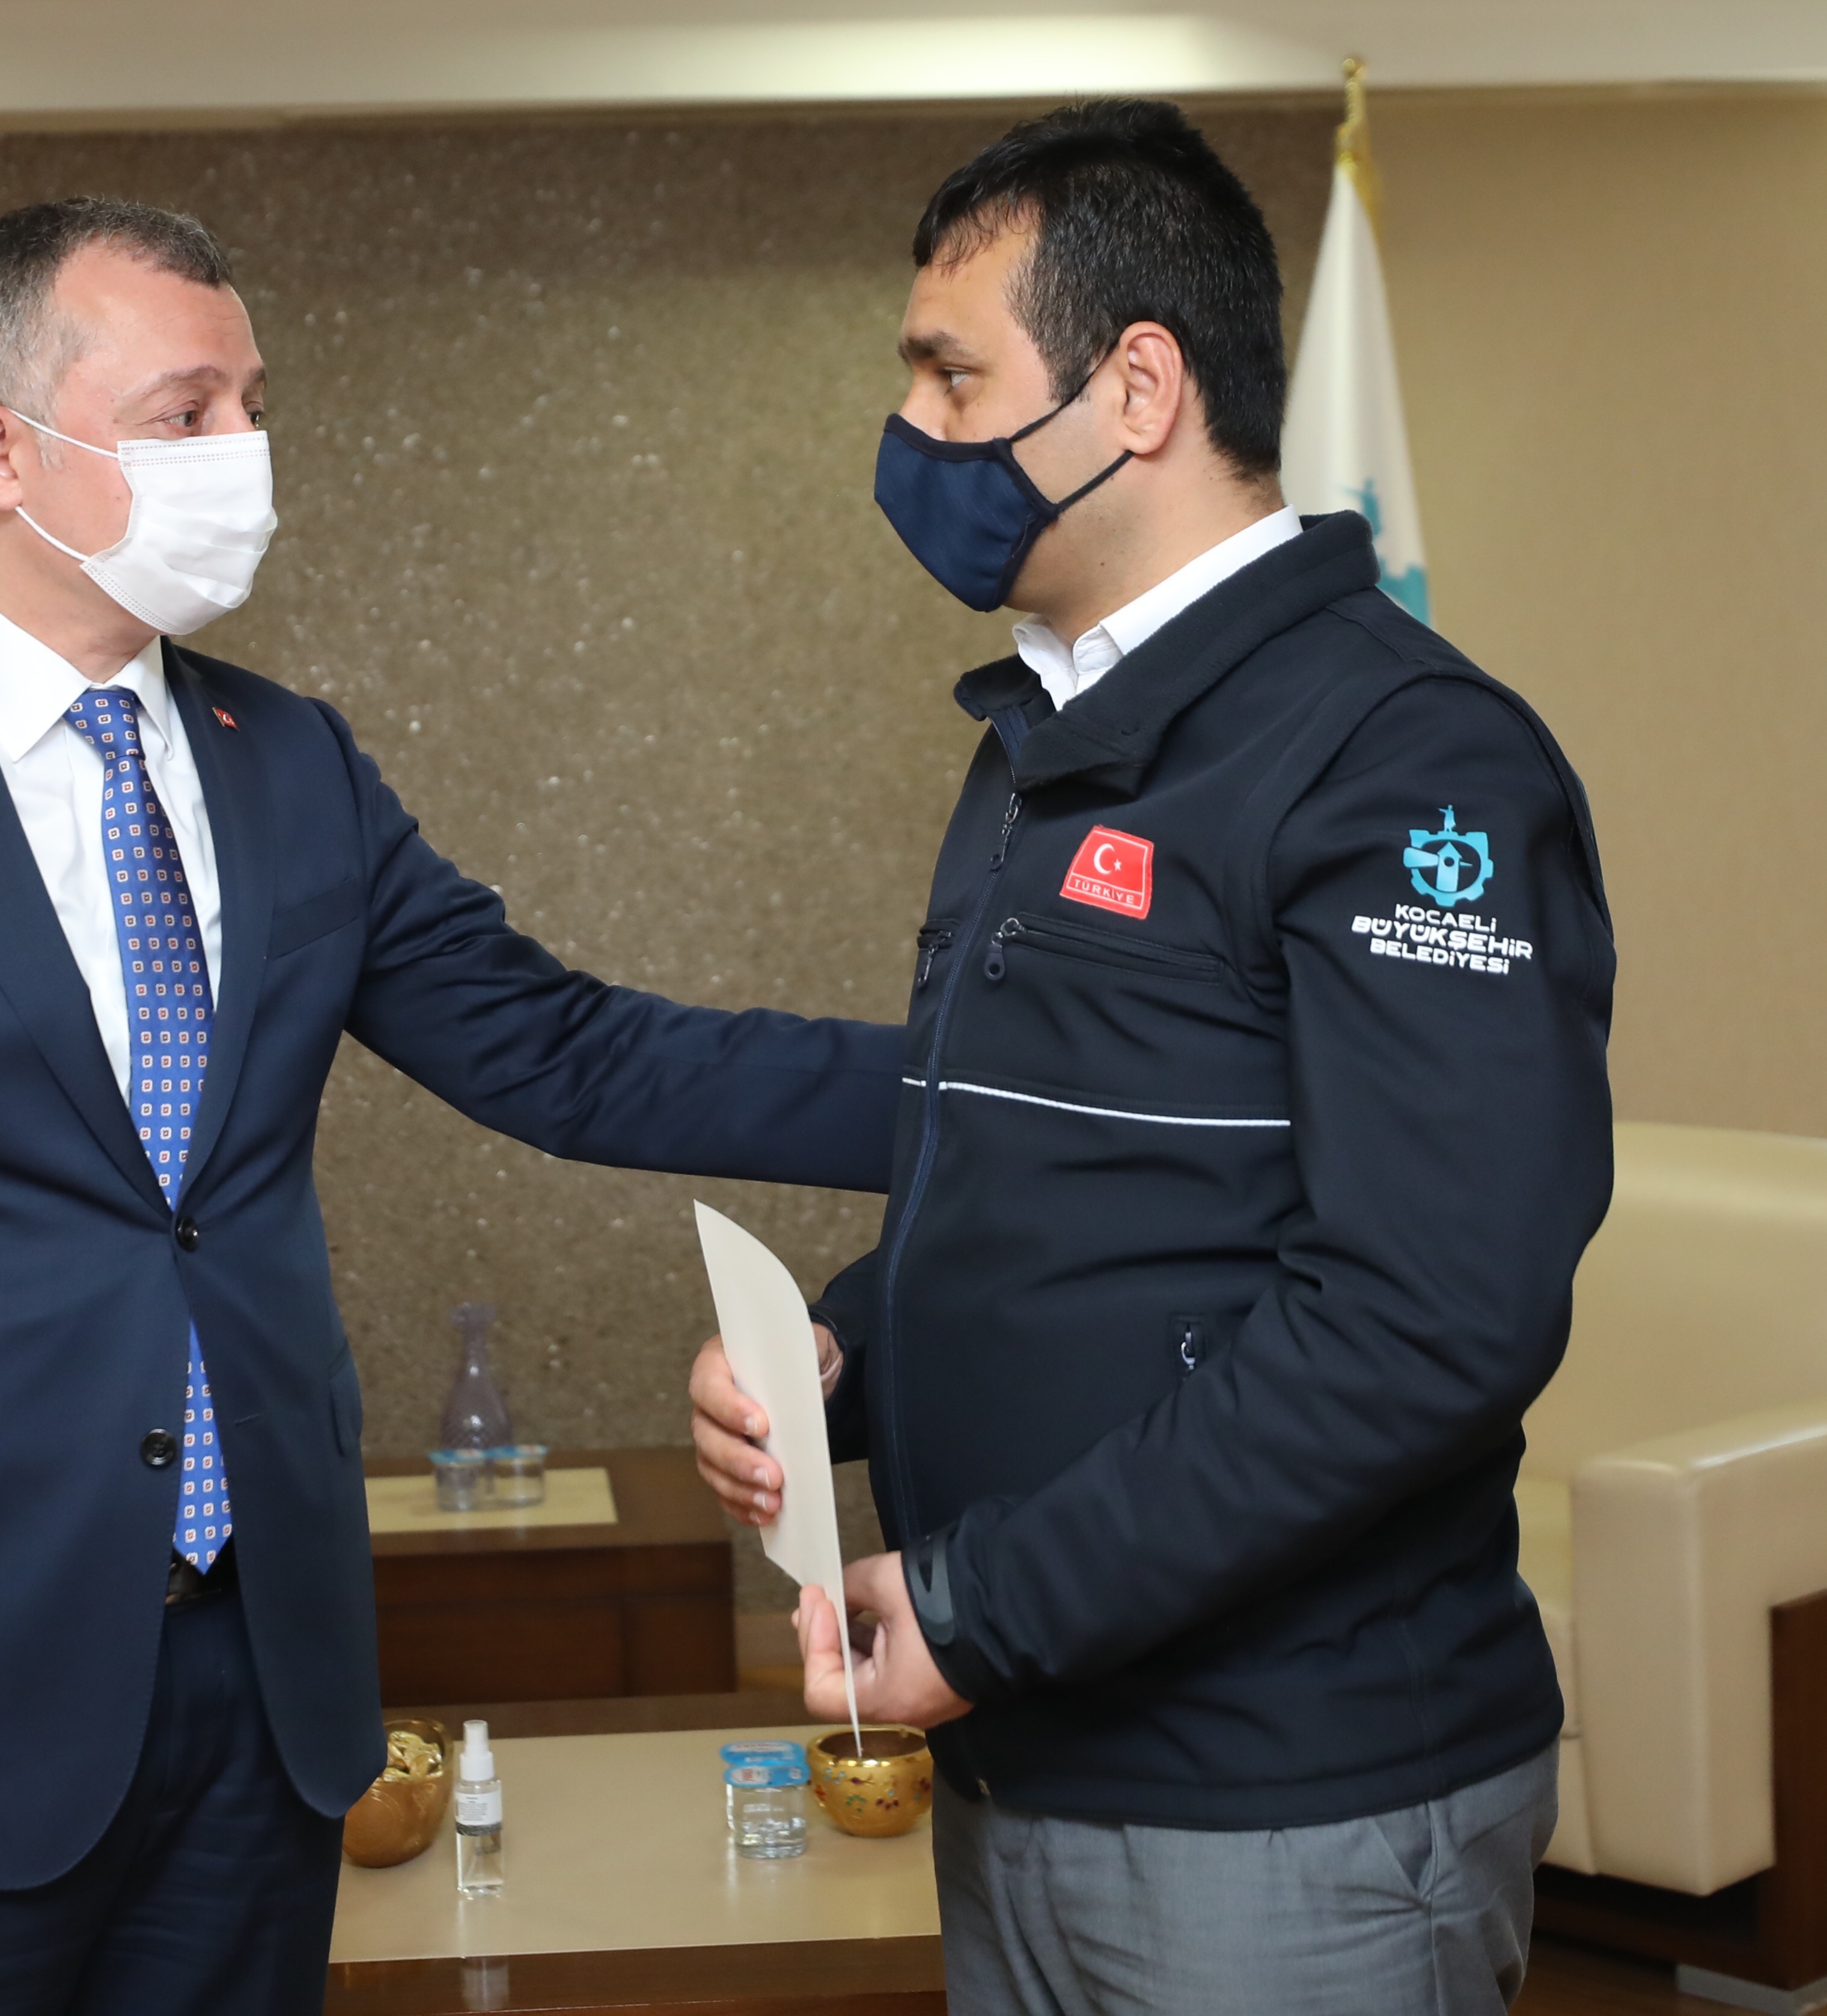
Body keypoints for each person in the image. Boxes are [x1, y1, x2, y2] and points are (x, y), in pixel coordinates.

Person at [0, 197, 902, 2016]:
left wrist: (1019, 1091)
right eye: (186, 415)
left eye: (253, 406)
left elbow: (574, 1051)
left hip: (263, 1698)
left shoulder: (294, 766)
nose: (243, 455)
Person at [687, 101, 1612, 2015]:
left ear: (1138, 388)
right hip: (1027, 1763)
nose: (912, 430)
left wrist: (982, 1607)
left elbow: (1426, 1315)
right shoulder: (1048, 735)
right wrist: (840, 1355)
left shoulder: (1404, 756)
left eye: (953, 376)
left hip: (1288, 1806)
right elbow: (1077, 1187)